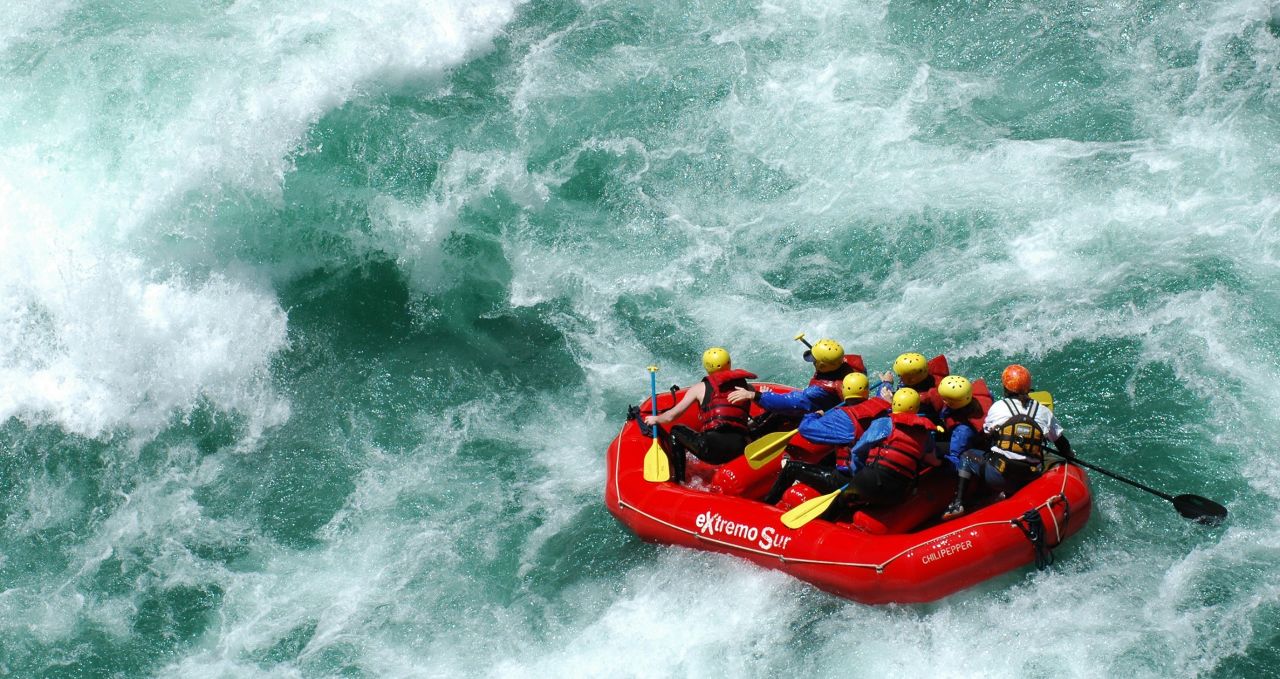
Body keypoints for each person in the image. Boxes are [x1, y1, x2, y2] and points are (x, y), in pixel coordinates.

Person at [761, 388, 942, 514]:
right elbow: (934, 461)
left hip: (853, 480)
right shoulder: (924, 432)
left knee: (791, 468)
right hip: (899, 491)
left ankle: (765, 506)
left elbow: (807, 430)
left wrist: (813, 415)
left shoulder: (876, 423)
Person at [951, 364, 1074, 506]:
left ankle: (957, 504)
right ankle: (1011, 494)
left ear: (1005, 388)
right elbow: (1062, 444)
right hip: (1030, 477)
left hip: (998, 476)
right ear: (1028, 387)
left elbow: (987, 433)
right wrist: (1070, 459)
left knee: (967, 455)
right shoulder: (1043, 411)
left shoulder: (998, 407)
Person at [644, 348, 757, 479]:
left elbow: (671, 417)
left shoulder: (699, 388)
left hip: (710, 450)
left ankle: (680, 480)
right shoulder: (748, 389)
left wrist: (656, 419)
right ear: (729, 363)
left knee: (676, 430)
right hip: (740, 450)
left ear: (707, 367)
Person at [776, 372, 893, 464]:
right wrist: (886, 383)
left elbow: (805, 428)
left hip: (850, 470)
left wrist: (815, 415)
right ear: (866, 392)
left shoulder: (840, 417)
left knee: (793, 467)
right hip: (874, 460)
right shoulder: (882, 405)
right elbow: (883, 395)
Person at [727, 338, 865, 416]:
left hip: (829, 412)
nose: (813, 362)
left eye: (815, 360)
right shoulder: (849, 364)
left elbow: (791, 401)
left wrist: (755, 396)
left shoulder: (817, 392)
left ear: (823, 366)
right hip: (839, 403)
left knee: (777, 415)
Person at [934, 375, 995, 519]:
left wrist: (940, 462)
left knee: (937, 450)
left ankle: (960, 501)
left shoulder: (963, 431)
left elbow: (956, 457)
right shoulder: (983, 398)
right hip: (978, 439)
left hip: (977, 450)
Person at [877, 352, 949, 421]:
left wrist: (886, 383)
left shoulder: (918, 400)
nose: (899, 377)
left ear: (911, 380)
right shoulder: (929, 378)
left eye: (900, 375)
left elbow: (897, 417)